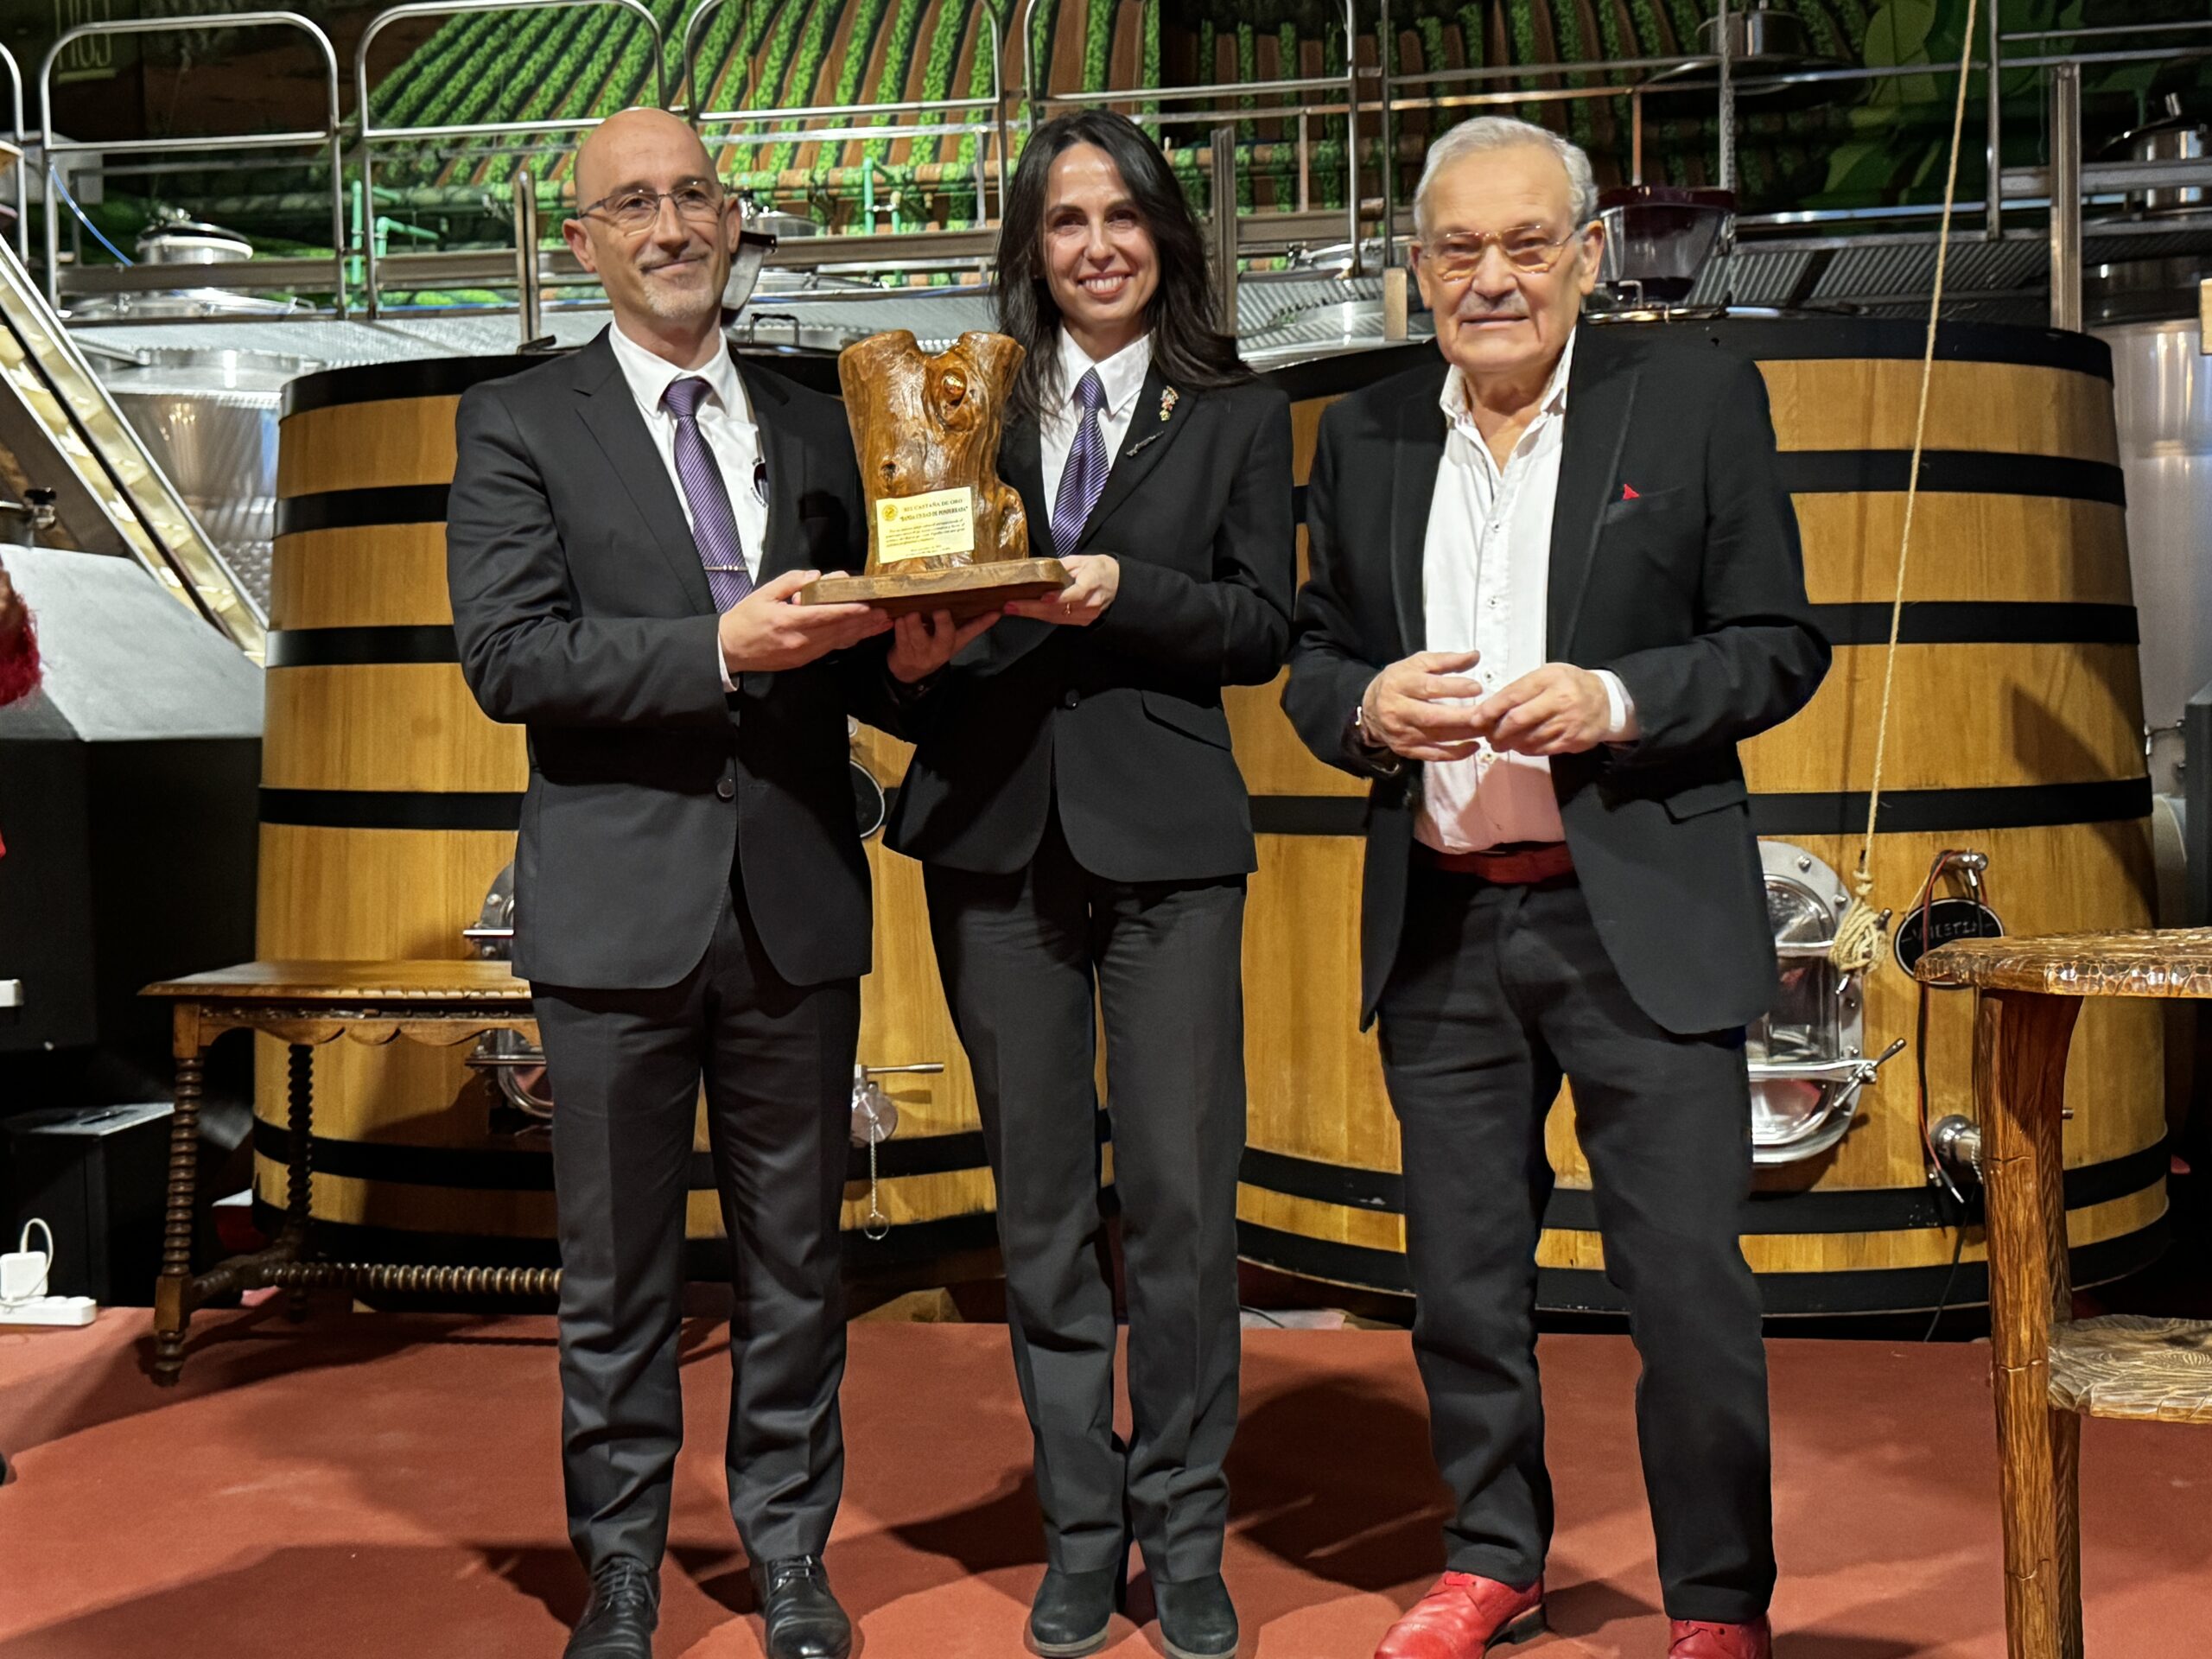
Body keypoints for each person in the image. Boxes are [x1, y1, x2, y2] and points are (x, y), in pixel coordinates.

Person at [1282, 117, 1830, 1659]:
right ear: (1415, 270)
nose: (1495, 279)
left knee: (1685, 1292)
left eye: (1528, 246)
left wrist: (1619, 699)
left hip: (1635, 915)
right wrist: (1366, 712)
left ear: (1589, 256)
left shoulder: (1697, 401)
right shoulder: (1370, 435)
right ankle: (1492, 1555)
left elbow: (1780, 643)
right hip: (1448, 915)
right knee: (1461, 1283)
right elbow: (1314, 665)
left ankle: (1717, 1601)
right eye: (1460, 251)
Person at [446, 107, 986, 1659]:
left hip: (797, 898)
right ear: (584, 244)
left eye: (692, 194)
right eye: (633, 204)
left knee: (797, 1263)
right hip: (616, 916)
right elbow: (509, 657)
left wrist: (921, 660)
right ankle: (620, 1566)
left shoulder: (823, 422)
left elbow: (861, 663)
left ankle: (790, 1557)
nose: (670, 223)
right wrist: (712, 648)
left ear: (733, 217)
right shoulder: (519, 422)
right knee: (616, 1275)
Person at [882, 109, 1295, 1659]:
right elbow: (913, 627)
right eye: (1066, 221)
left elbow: (1263, 626)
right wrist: (911, 666)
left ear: (1167, 233)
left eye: (1123, 215)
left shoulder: (1235, 414)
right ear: (1030, 247)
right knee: (1043, 1212)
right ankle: (1080, 1528)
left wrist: (1130, 599)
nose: (1098, 245)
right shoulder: (958, 407)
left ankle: (1185, 1532)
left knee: (1183, 1207)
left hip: (1171, 843)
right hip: (992, 837)